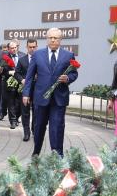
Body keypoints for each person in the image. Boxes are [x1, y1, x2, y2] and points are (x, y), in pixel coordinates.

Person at [23, 28, 78, 157]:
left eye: (56, 38)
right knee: (39, 127)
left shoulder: (68, 55)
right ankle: (36, 152)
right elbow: (30, 76)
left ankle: (57, 155)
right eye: (50, 38)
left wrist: (68, 78)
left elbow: (74, 73)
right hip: (41, 97)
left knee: (57, 127)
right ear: (47, 39)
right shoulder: (37, 55)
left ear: (60, 40)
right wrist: (26, 93)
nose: (53, 40)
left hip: (59, 99)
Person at [15, 39, 38, 141]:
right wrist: (22, 79)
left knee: (36, 112)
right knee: (25, 112)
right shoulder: (22, 60)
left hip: (37, 90)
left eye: (34, 47)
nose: (32, 49)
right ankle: (26, 132)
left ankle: (34, 130)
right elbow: (16, 73)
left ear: (36, 47)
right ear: (27, 47)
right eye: (30, 47)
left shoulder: (41, 59)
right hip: (25, 90)